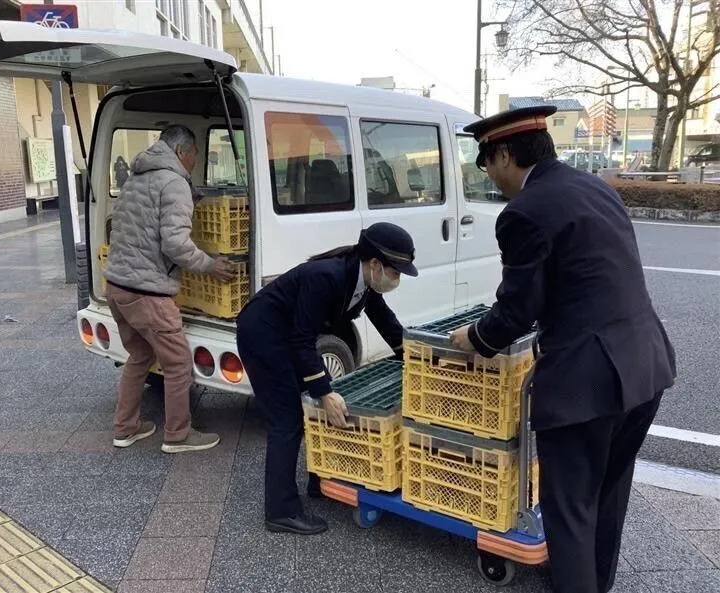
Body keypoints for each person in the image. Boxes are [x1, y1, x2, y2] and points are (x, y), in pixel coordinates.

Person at [451, 106, 676, 593]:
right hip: (645, 366)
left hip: (586, 383)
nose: (488, 175)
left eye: (486, 163)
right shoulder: (595, 187)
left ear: (506, 154)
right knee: (608, 493)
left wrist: (476, 339)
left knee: (569, 510)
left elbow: (516, 310)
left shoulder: (525, 212)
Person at [236, 223, 417, 535]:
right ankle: (280, 511)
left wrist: (413, 359)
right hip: (263, 335)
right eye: (396, 272)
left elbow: (385, 321)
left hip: (287, 336)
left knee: (312, 412)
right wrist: (323, 391)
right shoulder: (327, 277)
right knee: (287, 418)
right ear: (375, 264)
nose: (397, 279)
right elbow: (303, 338)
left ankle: (321, 482)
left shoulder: (362, 282)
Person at [104, 124, 235, 453]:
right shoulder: (174, 182)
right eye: (194, 156)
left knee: (140, 355)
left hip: (117, 286)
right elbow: (176, 243)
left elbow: (141, 222)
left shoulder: (136, 177)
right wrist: (210, 265)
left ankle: (125, 428)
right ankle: (178, 435)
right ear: (182, 152)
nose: (194, 162)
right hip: (147, 292)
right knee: (177, 363)